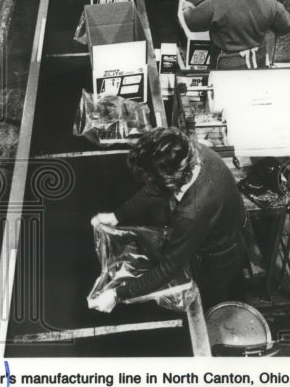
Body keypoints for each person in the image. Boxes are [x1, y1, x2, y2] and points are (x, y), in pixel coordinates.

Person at [90, 127, 248, 312]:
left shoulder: (192, 212)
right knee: (234, 282)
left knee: (212, 299)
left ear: (170, 180)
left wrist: (118, 294)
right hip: (228, 225)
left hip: (218, 256)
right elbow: (156, 188)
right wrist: (117, 216)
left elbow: (168, 268)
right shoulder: (191, 153)